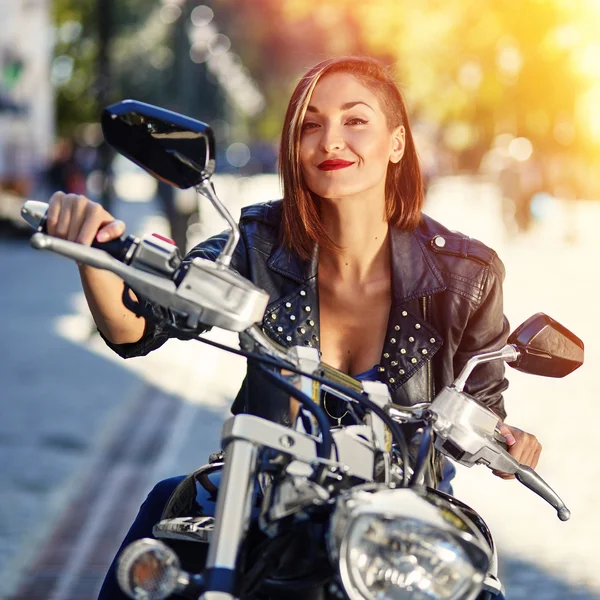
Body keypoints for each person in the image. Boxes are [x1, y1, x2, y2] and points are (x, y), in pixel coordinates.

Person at [45, 56, 541, 598]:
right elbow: (139, 326)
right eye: (310, 124)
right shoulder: (255, 242)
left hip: (405, 511)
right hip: (264, 496)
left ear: (397, 143)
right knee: (158, 535)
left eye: (355, 120)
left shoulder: (466, 273)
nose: (330, 140)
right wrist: (94, 254)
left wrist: (512, 445)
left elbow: (485, 409)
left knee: (478, 584)